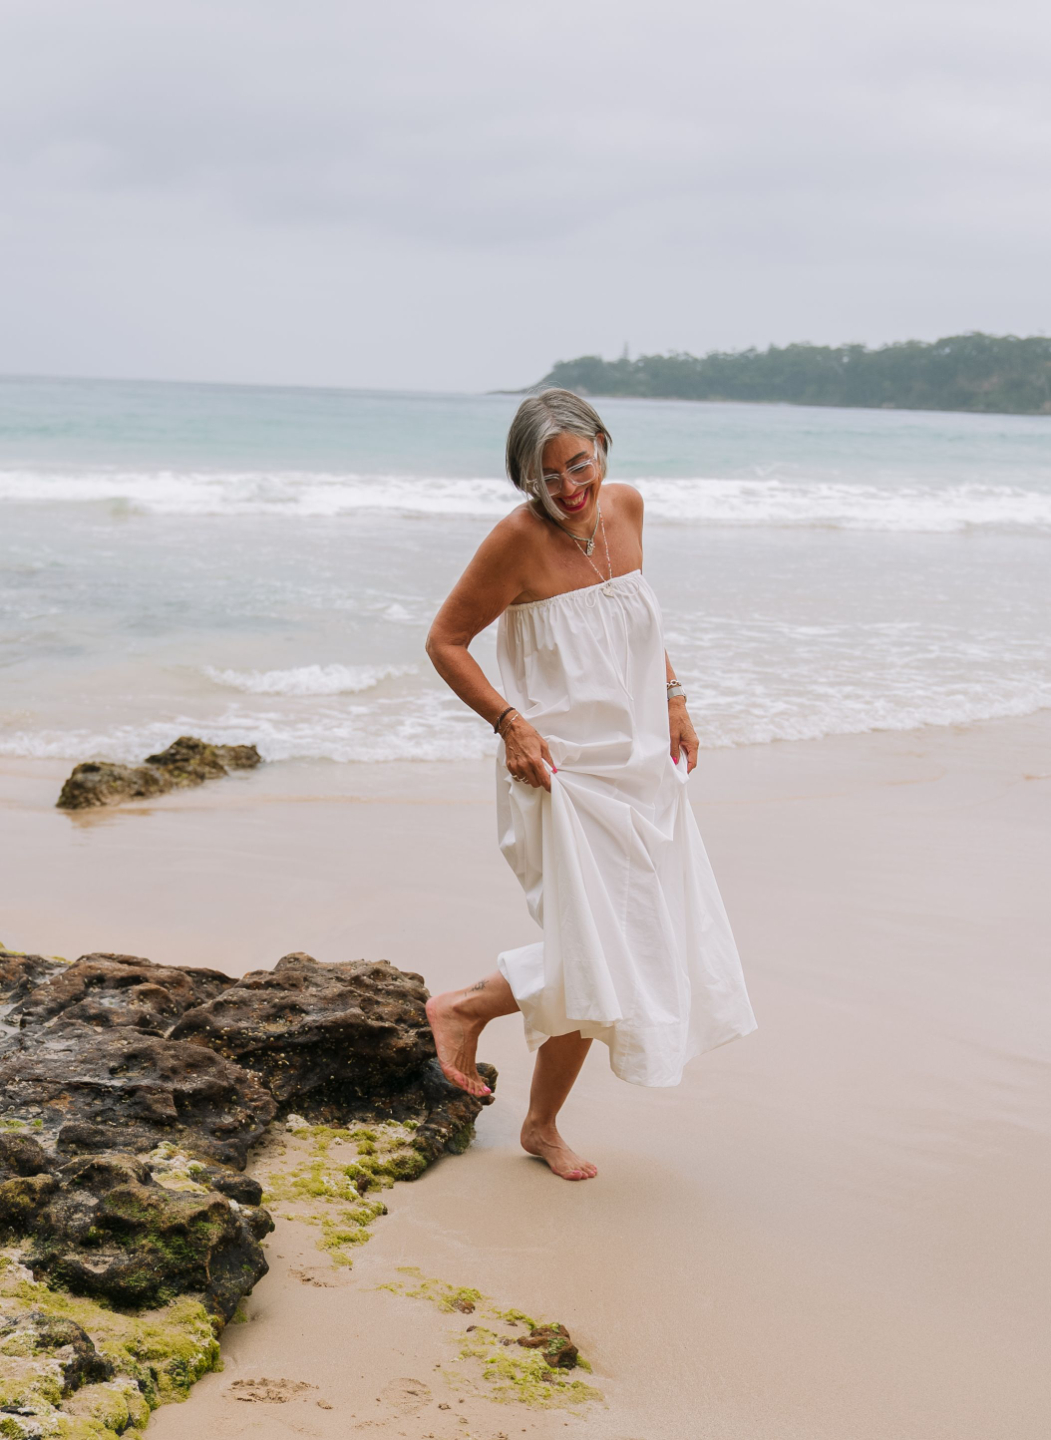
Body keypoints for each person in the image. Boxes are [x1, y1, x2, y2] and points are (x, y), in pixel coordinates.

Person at [424, 389, 756, 1181]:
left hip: (641, 762)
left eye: (580, 465)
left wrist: (673, 698)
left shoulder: (628, 508)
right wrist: (510, 724)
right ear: (523, 480)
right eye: (547, 477)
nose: (569, 488)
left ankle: (536, 1121)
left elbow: (636, 623)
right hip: (560, 771)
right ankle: (463, 1010)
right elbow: (445, 641)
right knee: (601, 943)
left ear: (603, 447)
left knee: (617, 944)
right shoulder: (514, 540)